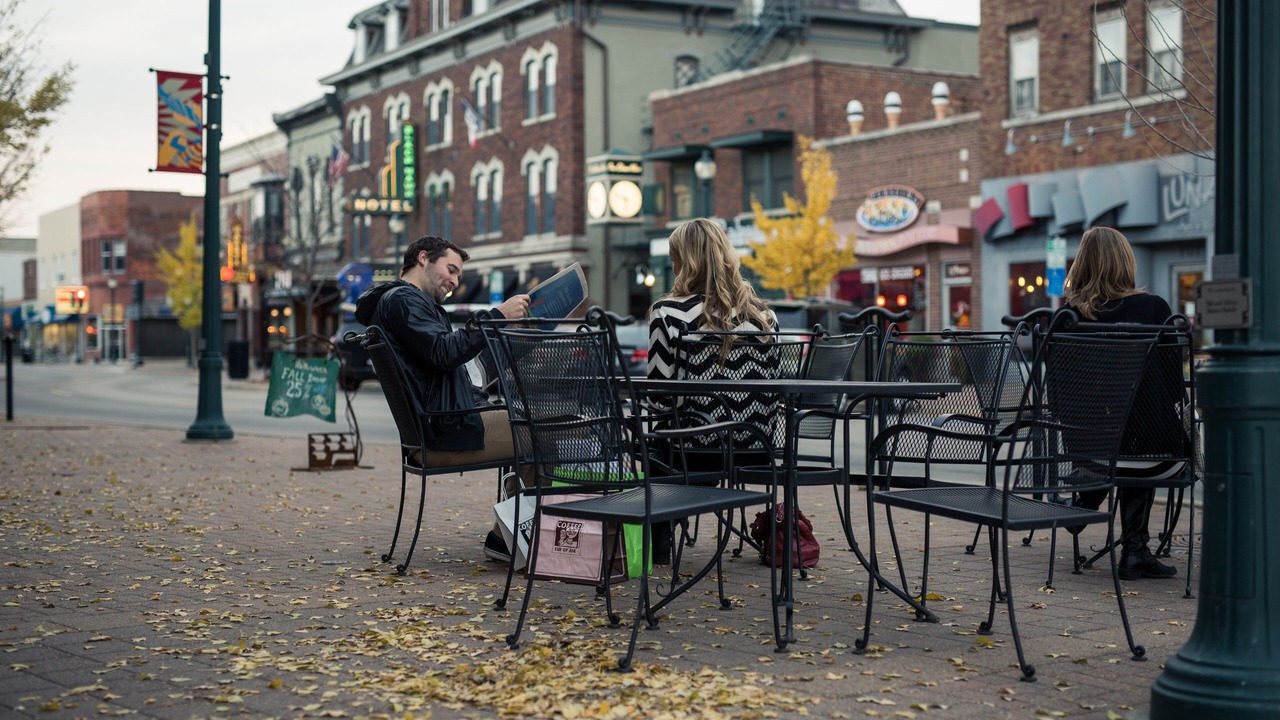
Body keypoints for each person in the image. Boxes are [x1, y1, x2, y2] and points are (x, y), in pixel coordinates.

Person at [355, 235, 530, 562]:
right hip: (444, 431)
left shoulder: (398, 302)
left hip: (437, 425)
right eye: (451, 269)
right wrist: (496, 316)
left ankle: (511, 534)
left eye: (460, 276)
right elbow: (442, 352)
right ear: (423, 258)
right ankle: (521, 537)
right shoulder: (404, 302)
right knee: (544, 431)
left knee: (524, 423)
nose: (455, 280)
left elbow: (440, 361)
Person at [646, 218, 779, 561]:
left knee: (651, 441)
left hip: (692, 449)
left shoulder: (669, 313)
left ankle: (660, 527)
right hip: (756, 445)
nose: (672, 265)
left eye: (675, 258)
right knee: (686, 436)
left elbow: (660, 398)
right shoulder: (765, 316)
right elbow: (775, 390)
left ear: (686, 262)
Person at [1063, 226, 1182, 580]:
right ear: (1125, 262)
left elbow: (1062, 394)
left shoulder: (1067, 317)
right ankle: (1135, 550)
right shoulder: (1153, 308)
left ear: (1080, 265)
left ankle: (1084, 502)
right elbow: (1174, 388)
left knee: (1120, 442)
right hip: (1152, 453)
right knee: (1142, 435)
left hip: (1086, 447)